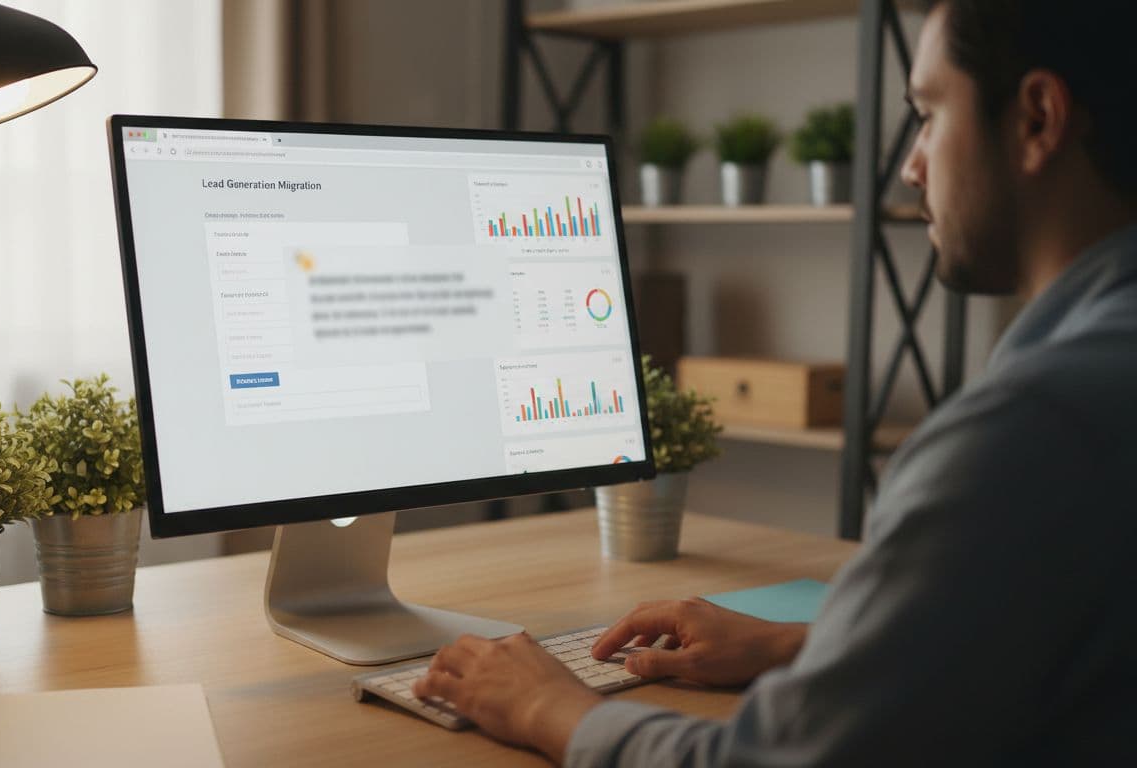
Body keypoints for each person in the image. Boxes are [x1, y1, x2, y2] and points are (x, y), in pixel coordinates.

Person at [413, 1, 1137, 764]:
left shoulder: (1030, 432)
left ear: (1038, 118)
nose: (911, 165)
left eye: (927, 114)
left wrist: (544, 704)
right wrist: (813, 646)